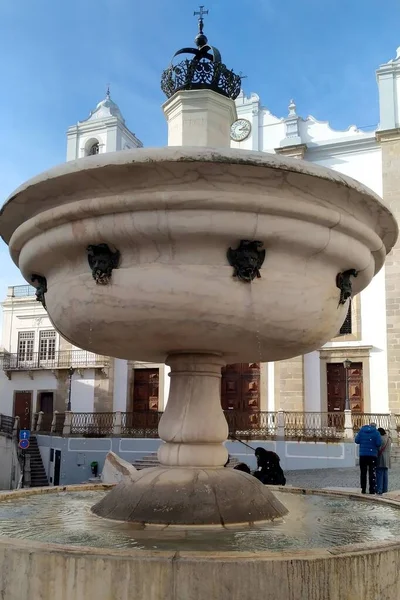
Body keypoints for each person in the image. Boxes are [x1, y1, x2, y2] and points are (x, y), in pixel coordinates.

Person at [355, 423, 382, 494]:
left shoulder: (361, 431)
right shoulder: (376, 432)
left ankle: (363, 489)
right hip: (372, 455)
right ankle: (371, 490)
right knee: (372, 473)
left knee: (363, 473)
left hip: (363, 455)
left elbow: (356, 441)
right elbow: (378, 443)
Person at [376, 427, 391, 495]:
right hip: (387, 458)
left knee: (379, 474)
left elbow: (379, 448)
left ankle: (379, 489)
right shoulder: (389, 438)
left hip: (381, 458)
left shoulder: (381, 438)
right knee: (385, 474)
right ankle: (385, 489)